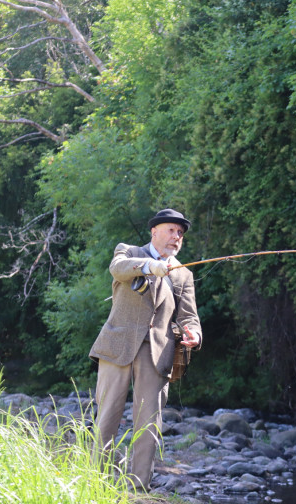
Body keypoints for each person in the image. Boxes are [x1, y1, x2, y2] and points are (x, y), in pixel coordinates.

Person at [90, 208, 202, 491]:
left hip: (157, 354)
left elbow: (189, 317)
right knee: (107, 417)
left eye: (180, 233)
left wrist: (194, 335)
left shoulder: (183, 275)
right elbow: (118, 269)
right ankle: (95, 480)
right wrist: (151, 267)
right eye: (171, 230)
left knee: (149, 424)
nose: (176, 237)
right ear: (154, 231)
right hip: (117, 346)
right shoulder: (128, 252)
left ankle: (139, 487)